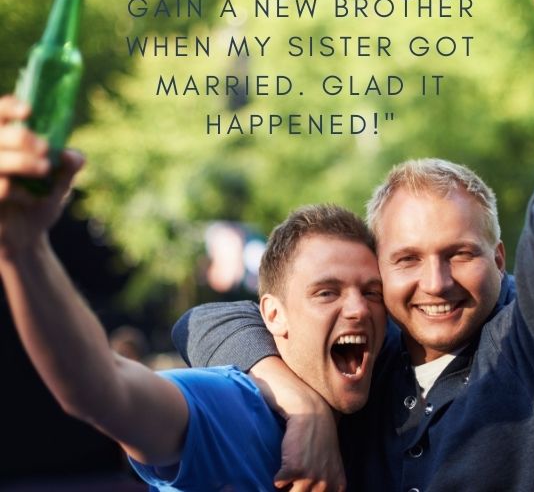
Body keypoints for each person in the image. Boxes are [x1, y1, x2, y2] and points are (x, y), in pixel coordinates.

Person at [173, 0, 534, 491]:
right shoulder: (371, 368)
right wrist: (302, 402)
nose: (436, 282)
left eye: (460, 254)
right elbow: (206, 320)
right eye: (406, 259)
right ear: (379, 268)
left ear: (500, 259)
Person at [0, 117, 387, 492]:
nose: (358, 309)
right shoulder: (231, 408)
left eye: (372, 292)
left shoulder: (385, 402)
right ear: (272, 314)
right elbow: (104, 389)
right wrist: (24, 248)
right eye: (327, 292)